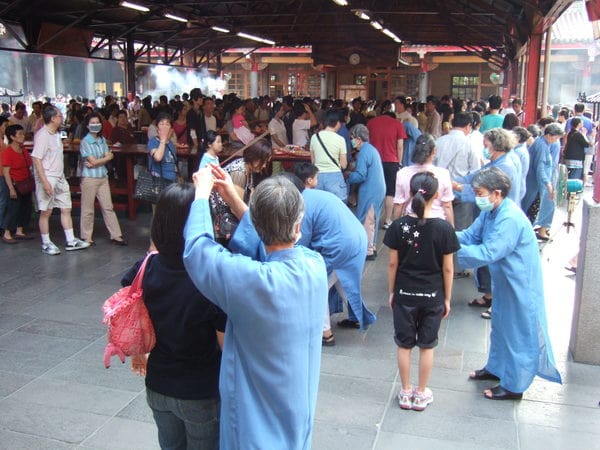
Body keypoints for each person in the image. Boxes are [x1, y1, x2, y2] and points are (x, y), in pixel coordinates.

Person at [184, 168, 328, 449]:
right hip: (297, 409)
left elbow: (198, 250)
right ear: (299, 226)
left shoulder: (252, 281)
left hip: (253, 427)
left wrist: (201, 195)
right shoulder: (315, 266)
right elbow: (278, 247)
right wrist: (236, 202)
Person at [124, 183, 226, 450]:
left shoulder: (145, 268)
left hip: (158, 385)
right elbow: (224, 345)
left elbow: (130, 300)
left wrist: (139, 352)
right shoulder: (207, 278)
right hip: (200, 391)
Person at [458, 167, 561, 399]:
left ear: (496, 193)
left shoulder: (509, 218)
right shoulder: (490, 212)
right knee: (501, 326)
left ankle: (514, 385)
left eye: (480, 192)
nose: (477, 197)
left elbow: (488, 251)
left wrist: (450, 250)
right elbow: (470, 235)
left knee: (517, 332)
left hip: (520, 283)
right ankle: (496, 368)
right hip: (503, 280)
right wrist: (443, 234)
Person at [384, 171, 459, 411]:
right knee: (427, 345)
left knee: (404, 345)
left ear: (410, 192)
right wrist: (447, 298)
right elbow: (448, 269)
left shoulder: (398, 226)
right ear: (437, 195)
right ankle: (421, 392)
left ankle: (405, 391)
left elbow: (392, 263)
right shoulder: (445, 229)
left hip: (405, 293)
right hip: (432, 295)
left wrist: (392, 291)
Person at [32, 106, 90, 255]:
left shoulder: (56, 134)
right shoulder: (42, 135)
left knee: (66, 208)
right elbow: (36, 159)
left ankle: (70, 240)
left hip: (59, 176)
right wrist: (44, 182)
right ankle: (46, 242)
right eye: (59, 116)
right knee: (46, 211)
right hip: (48, 176)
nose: (61, 118)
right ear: (52, 118)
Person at [79, 114, 126, 246]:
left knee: (108, 207)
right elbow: (96, 160)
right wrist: (105, 159)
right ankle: (86, 237)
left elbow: (96, 161)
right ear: (87, 126)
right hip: (90, 178)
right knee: (88, 208)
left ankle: (116, 235)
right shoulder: (85, 142)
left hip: (102, 177)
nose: (95, 125)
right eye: (92, 123)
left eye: (97, 122)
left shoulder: (102, 140)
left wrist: (98, 161)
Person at [394, 133, 454, 226]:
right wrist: (451, 229)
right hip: (437, 224)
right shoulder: (443, 174)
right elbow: (447, 205)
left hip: (410, 223)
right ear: (434, 151)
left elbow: (399, 204)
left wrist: (396, 227)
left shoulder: (402, 173)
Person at [346, 124, 385, 259]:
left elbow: (361, 175)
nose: (352, 141)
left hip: (371, 189)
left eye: (352, 138)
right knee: (373, 217)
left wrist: (348, 176)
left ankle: (368, 250)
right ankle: (371, 246)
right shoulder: (371, 149)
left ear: (358, 138)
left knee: (368, 218)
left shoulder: (364, 152)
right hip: (377, 188)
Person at [521, 124, 564, 241]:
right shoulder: (542, 146)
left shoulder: (541, 143)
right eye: (556, 138)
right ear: (549, 135)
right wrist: (548, 184)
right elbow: (540, 168)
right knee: (529, 211)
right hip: (534, 184)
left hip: (534, 183)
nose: (556, 141)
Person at [367, 111, 407, 229]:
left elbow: (367, 142)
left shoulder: (371, 123)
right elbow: (400, 146)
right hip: (391, 162)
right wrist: (399, 162)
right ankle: (387, 220)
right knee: (390, 192)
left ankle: (372, 219)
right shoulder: (397, 124)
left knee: (374, 190)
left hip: (374, 161)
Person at [2, 125, 34, 243]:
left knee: (25, 207)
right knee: (13, 209)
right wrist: (11, 188)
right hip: (15, 184)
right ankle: (7, 233)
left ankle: (20, 230)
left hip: (25, 183)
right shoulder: (8, 152)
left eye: (22, 133)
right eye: (19, 134)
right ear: (12, 137)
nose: (22, 136)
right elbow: (6, 172)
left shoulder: (23, 149)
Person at [310, 109, 348, 202]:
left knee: (319, 207)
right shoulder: (340, 139)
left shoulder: (314, 137)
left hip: (317, 177)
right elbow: (344, 165)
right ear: (337, 123)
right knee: (336, 208)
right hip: (335, 178)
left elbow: (313, 161)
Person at [147, 113, 179, 196]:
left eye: (167, 124)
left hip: (172, 183)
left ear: (171, 129)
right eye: (161, 124)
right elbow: (158, 157)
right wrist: (163, 140)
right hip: (158, 183)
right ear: (157, 128)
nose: (164, 126)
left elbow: (173, 163)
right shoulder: (153, 142)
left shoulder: (171, 144)